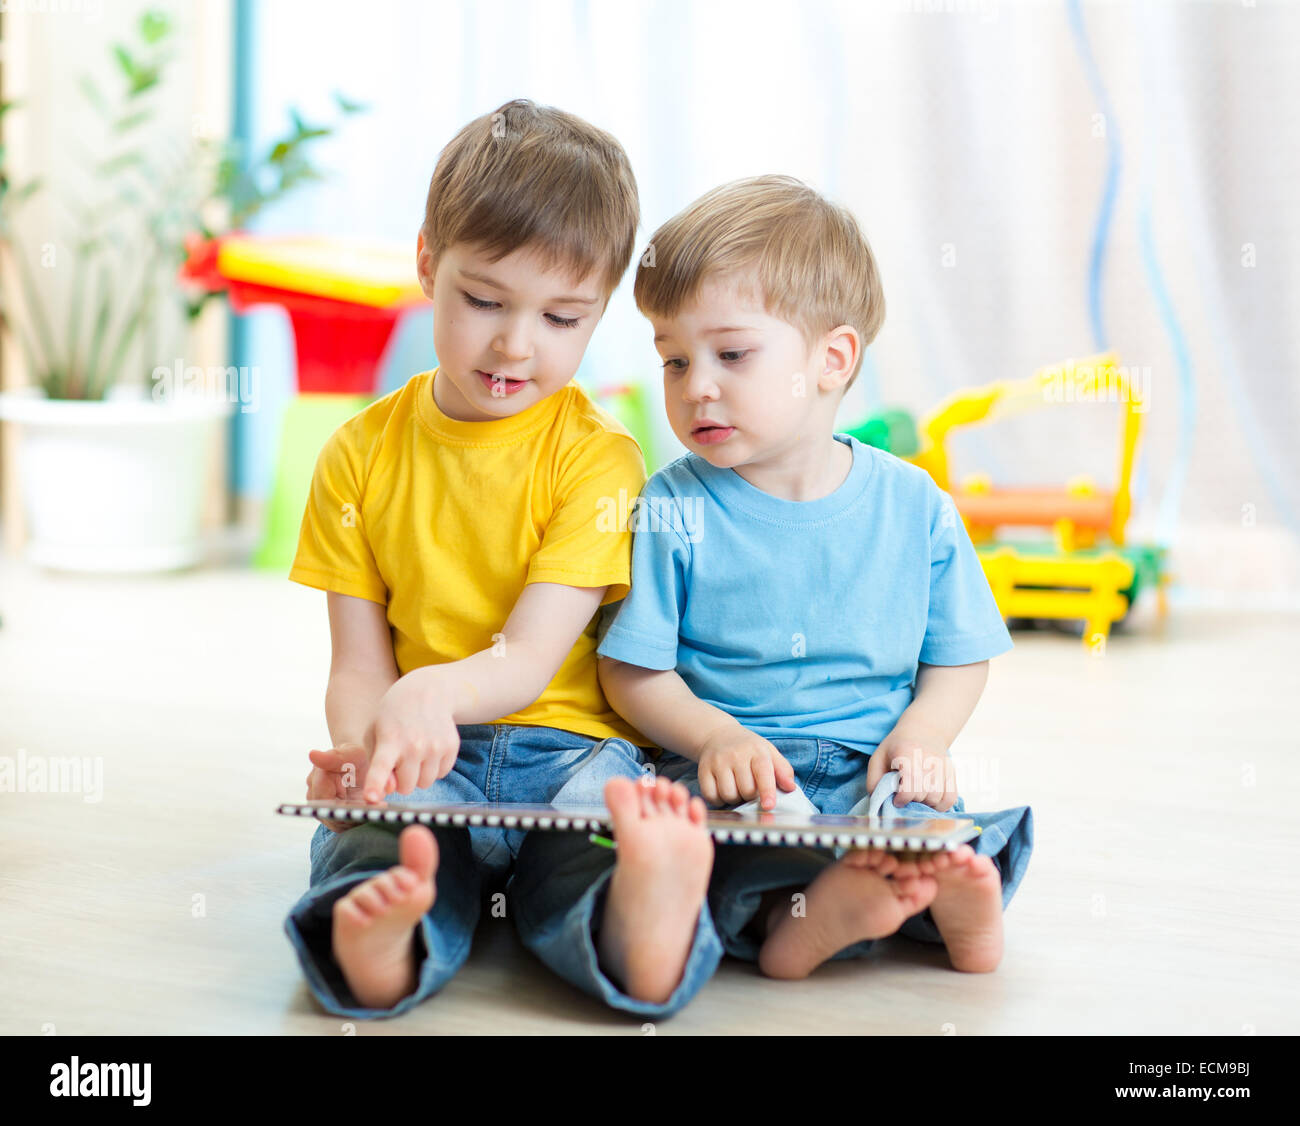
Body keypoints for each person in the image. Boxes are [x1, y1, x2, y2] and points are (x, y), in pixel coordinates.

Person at [284, 99, 718, 1020]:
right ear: (427, 264)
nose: (517, 344)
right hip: (425, 758)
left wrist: (432, 690)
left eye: (563, 317)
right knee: (384, 849)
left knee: (601, 838)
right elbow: (359, 666)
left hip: (571, 756)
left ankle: (637, 919)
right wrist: (365, 756)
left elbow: (527, 657)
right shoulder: (358, 454)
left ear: (600, 312)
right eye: (484, 300)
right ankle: (380, 945)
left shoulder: (598, 456)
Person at [597, 174, 1034, 989]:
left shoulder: (915, 506)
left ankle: (945, 904)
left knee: (934, 822)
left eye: (731, 354)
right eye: (674, 360)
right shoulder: (672, 504)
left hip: (879, 762)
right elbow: (632, 669)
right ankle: (800, 927)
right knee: (710, 850)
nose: (697, 386)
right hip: (742, 770)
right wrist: (712, 738)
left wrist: (925, 738)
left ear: (831, 360)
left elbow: (959, 653)